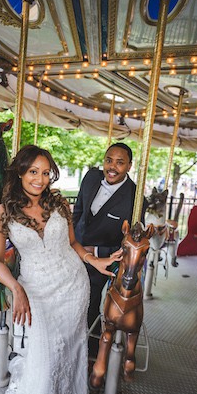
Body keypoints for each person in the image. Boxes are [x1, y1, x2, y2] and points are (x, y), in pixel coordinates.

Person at [0, 145, 121, 394]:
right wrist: (15, 287)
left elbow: (73, 244)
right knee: (46, 360)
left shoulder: (60, 203)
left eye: (46, 172)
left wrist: (95, 260)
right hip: (37, 293)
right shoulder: (3, 212)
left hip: (73, 289)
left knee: (69, 353)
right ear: (20, 172)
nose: (40, 178)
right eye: (33, 171)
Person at [73, 142, 147, 358]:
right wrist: (72, 240)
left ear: (129, 166)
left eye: (120, 162)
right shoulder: (90, 178)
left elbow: (132, 245)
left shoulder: (135, 198)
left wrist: (95, 252)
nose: (112, 167)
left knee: (89, 301)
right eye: (109, 160)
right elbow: (78, 211)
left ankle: (91, 350)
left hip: (104, 260)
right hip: (74, 250)